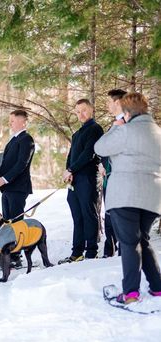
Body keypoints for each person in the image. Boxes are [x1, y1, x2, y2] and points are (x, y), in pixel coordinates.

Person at [94, 92, 161, 304]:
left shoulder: (126, 130)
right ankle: (157, 286)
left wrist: (117, 125)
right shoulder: (158, 132)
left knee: (130, 243)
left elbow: (100, 147)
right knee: (142, 239)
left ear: (127, 111)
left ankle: (131, 293)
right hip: (152, 196)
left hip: (126, 194)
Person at [59, 99, 104, 264]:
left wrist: (72, 170)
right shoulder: (77, 133)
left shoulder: (95, 128)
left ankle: (91, 252)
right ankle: (76, 253)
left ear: (91, 109)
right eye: (77, 112)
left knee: (89, 215)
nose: (81, 114)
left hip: (87, 179)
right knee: (77, 217)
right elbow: (71, 156)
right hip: (75, 180)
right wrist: (67, 171)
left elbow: (89, 154)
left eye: (83, 110)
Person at [0, 110, 35, 267]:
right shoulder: (12, 141)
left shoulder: (26, 139)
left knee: (16, 223)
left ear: (23, 122)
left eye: (13, 121)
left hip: (18, 188)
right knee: (8, 224)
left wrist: (3, 179)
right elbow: (6, 165)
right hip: (7, 188)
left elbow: (21, 164)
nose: (10, 123)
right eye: (9, 121)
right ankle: (9, 256)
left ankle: (15, 258)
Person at [100, 89, 127, 258]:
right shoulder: (115, 123)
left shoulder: (126, 123)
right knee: (109, 216)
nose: (108, 105)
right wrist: (102, 165)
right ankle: (109, 252)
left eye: (110, 102)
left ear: (118, 103)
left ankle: (123, 253)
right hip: (108, 178)